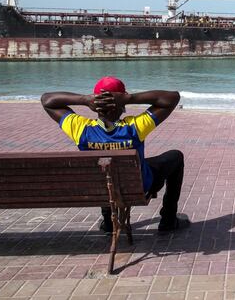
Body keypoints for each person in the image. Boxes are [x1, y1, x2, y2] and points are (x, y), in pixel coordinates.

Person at [41, 77, 189, 233]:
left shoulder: (81, 129)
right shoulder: (134, 127)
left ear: (95, 105)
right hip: (138, 188)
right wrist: (131, 98)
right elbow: (172, 97)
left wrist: (84, 100)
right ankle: (168, 220)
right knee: (175, 157)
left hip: (100, 190)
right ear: (121, 103)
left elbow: (47, 100)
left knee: (105, 174)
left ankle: (109, 222)